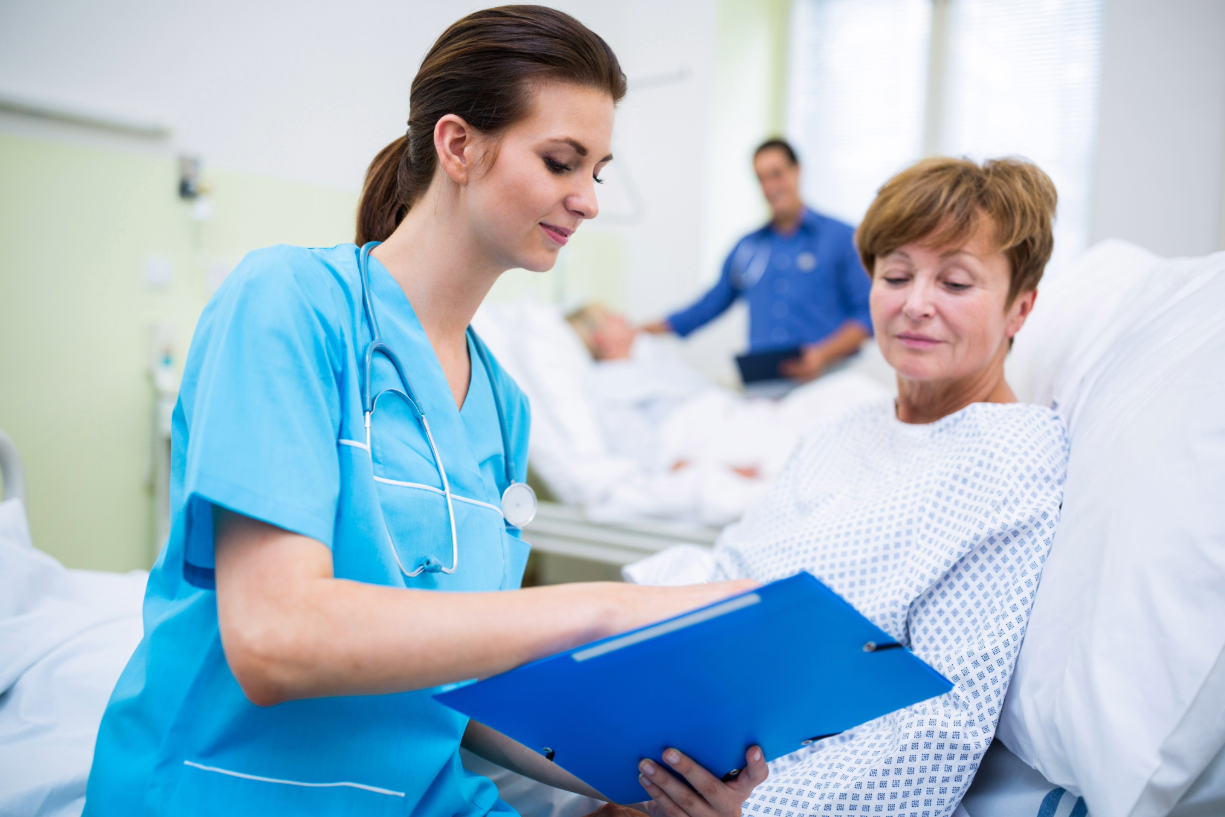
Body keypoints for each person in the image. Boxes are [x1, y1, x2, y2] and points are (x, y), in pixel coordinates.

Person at [82, 8, 763, 816]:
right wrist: (608, 607)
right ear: (458, 145)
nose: (586, 200)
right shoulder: (288, 304)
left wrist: (643, 780)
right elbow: (274, 638)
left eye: (598, 172)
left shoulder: (503, 404)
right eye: (560, 161)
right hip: (230, 789)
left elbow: (465, 687)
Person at [625, 156, 1070, 817]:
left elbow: (939, 725)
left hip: (755, 788)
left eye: (954, 281)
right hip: (669, 733)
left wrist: (750, 811)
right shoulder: (841, 427)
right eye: (894, 274)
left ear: (1019, 309)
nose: (915, 303)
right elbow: (734, 565)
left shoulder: (1009, 460)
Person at [644, 139, 872, 382]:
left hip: (827, 380)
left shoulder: (841, 238)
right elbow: (707, 306)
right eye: (761, 179)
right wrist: (639, 332)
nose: (770, 186)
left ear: (797, 171)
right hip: (764, 387)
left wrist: (822, 355)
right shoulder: (748, 248)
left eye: (777, 174)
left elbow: (867, 315)